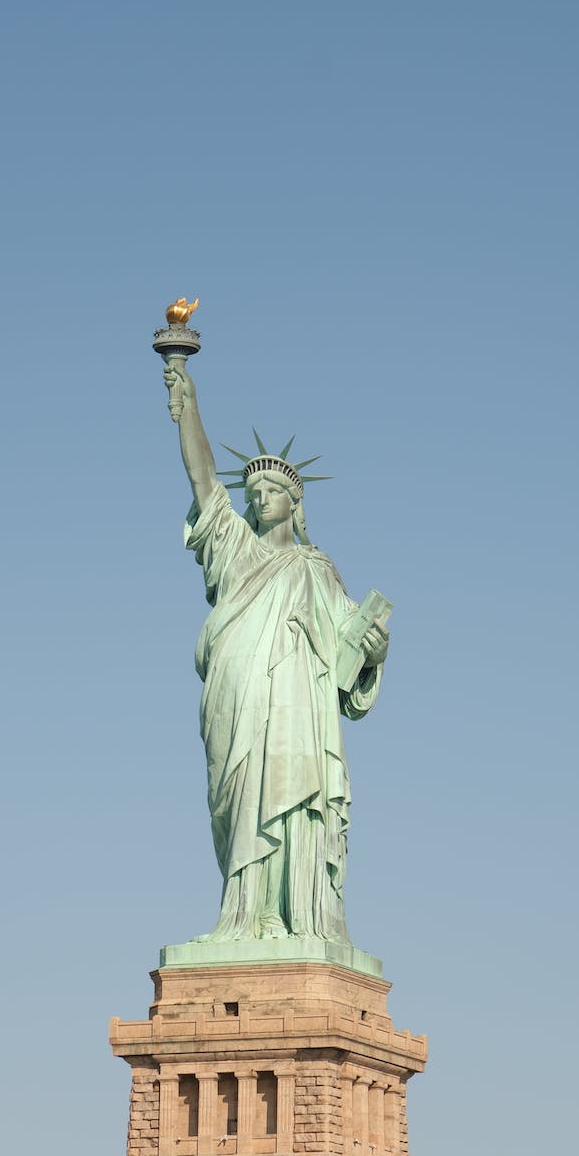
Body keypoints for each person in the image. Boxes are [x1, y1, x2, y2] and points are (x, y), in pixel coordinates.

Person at [165, 360, 389, 942]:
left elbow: (351, 656)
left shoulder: (317, 571)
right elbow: (203, 481)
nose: (260, 499)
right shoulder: (235, 549)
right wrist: (187, 403)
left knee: (292, 798)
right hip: (237, 697)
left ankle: (292, 916)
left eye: (272, 492)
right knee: (240, 796)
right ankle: (241, 914)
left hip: (295, 705)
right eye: (255, 491)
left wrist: (374, 647)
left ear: (295, 502)